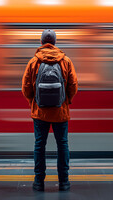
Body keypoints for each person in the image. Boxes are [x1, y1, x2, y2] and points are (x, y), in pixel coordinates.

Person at [22, 29, 78, 191]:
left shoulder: (34, 62)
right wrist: (67, 101)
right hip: (61, 112)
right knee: (62, 145)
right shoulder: (66, 61)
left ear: (41, 43)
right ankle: (64, 182)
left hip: (40, 112)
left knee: (40, 145)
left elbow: (25, 87)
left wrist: (33, 102)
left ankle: (39, 182)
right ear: (54, 43)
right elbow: (73, 85)